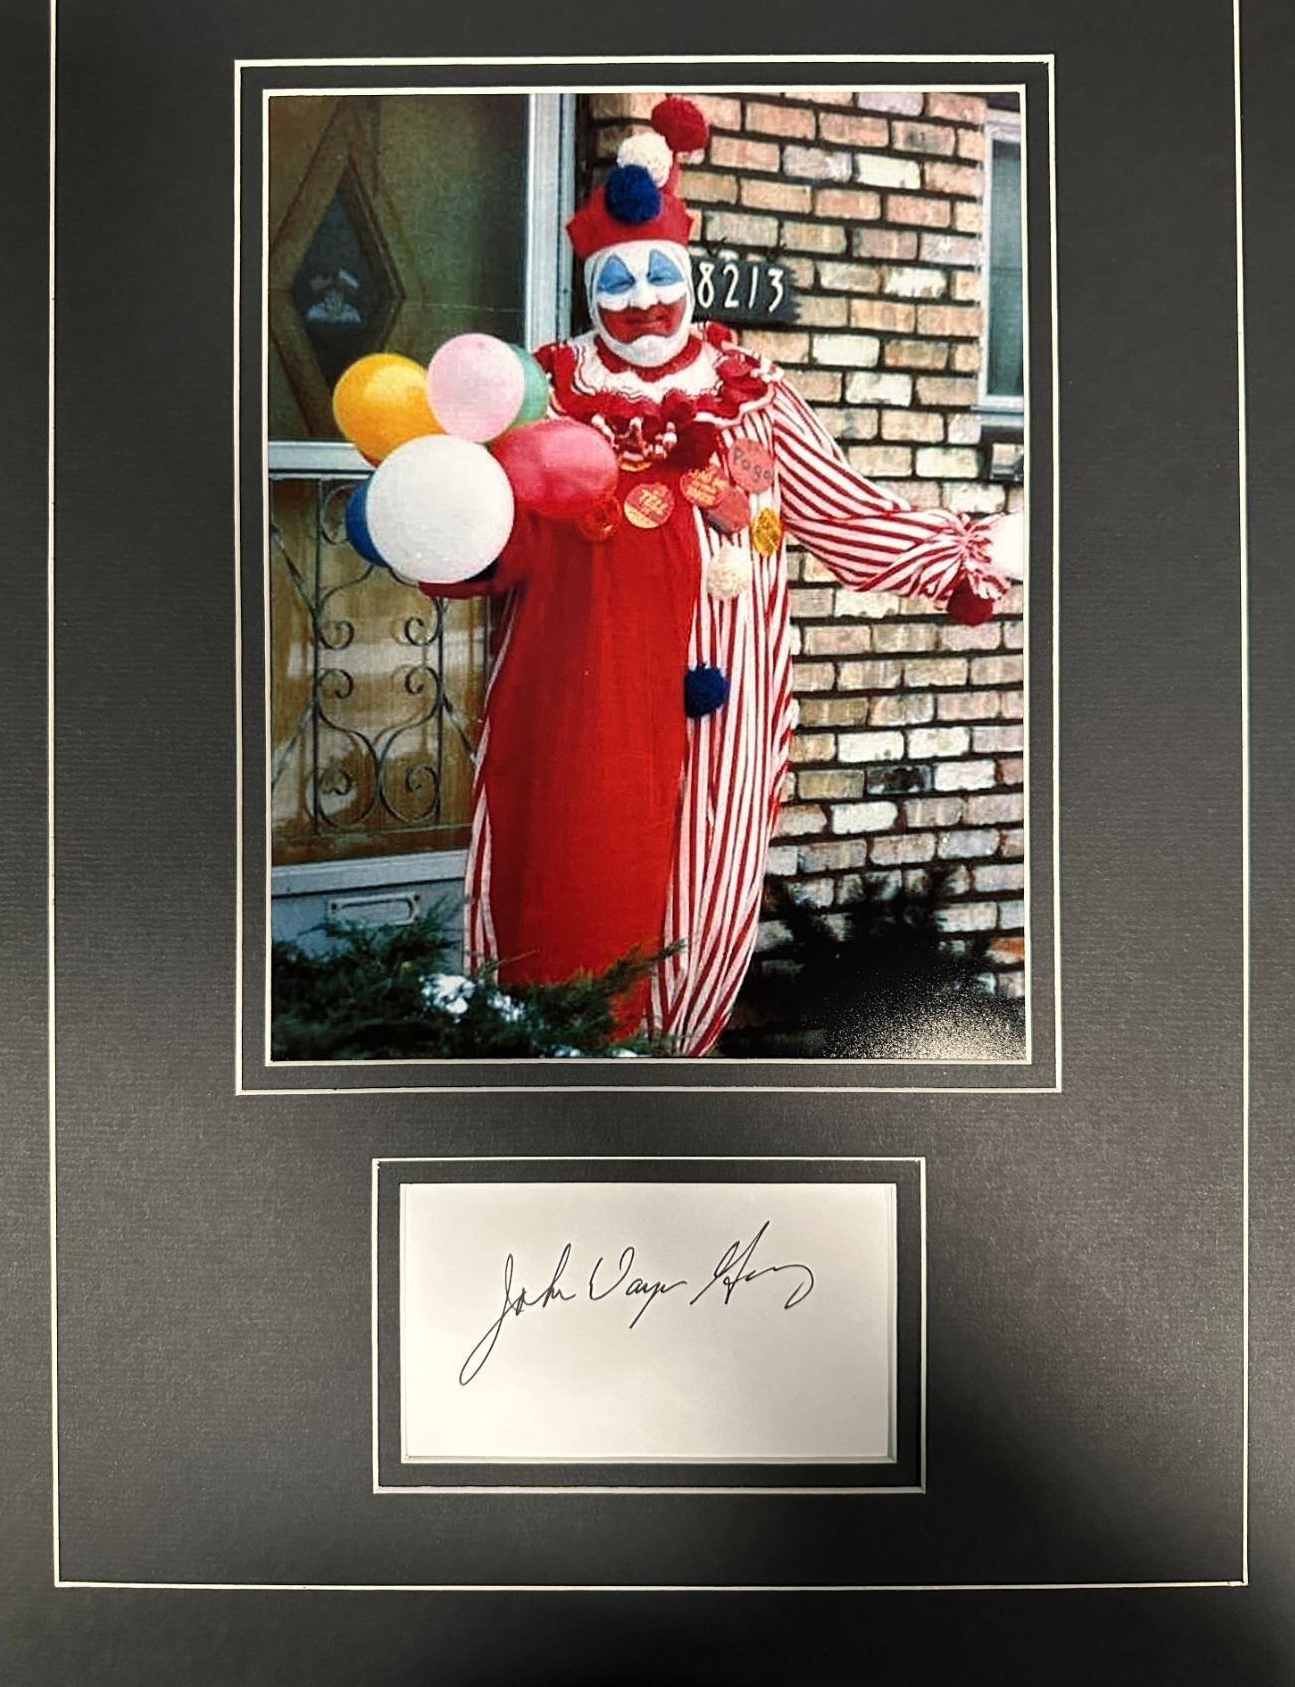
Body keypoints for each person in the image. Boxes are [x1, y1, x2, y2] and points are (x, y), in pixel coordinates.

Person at [425, 96, 1022, 1056]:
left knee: (702, 882)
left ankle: (670, 1067)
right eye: (616, 279)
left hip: (720, 703)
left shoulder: (752, 394)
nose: (643, 298)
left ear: (691, 270)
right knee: (566, 873)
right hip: (571, 691)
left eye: (661, 272)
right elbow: (488, 532)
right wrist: (434, 529)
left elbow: (842, 514)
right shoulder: (545, 391)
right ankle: (547, 1062)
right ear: (587, 287)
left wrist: (966, 552)